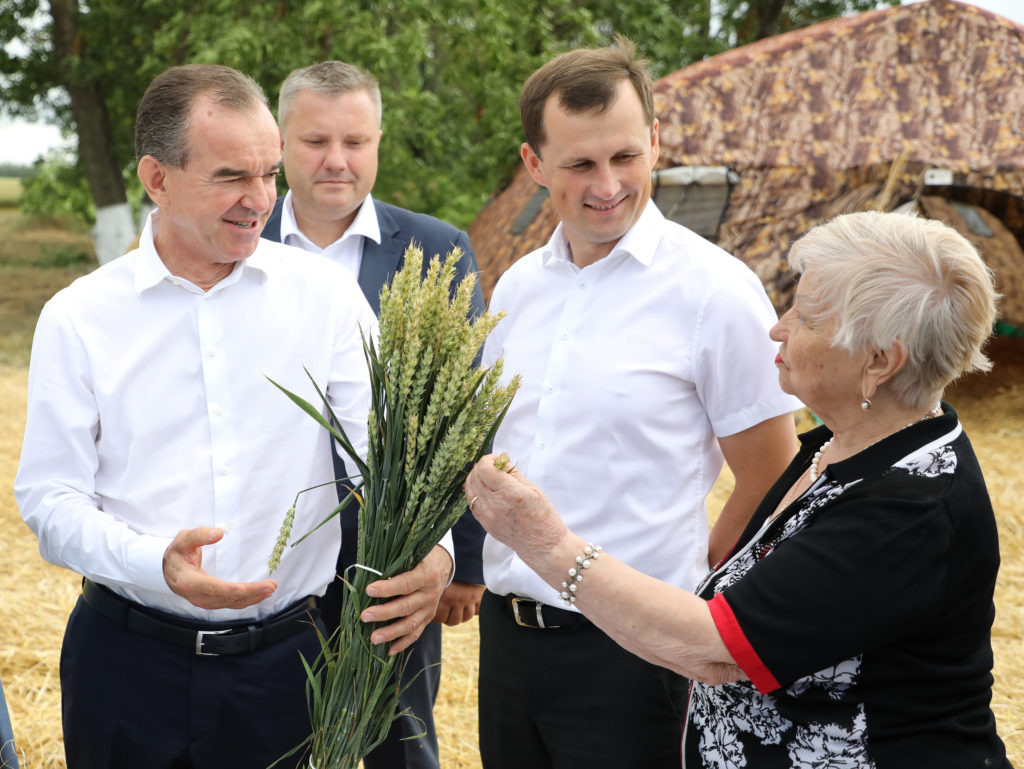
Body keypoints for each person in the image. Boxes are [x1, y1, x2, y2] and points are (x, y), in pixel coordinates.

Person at [14, 64, 453, 769]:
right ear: (156, 179)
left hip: (290, 670)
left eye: (270, 173)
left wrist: (439, 549)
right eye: (231, 177)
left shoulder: (327, 297)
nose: (261, 200)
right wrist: (154, 562)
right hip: (126, 668)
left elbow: (391, 451)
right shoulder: (78, 317)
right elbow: (48, 498)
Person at [465, 210, 1013, 769]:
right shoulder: (841, 446)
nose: (779, 327)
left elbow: (716, 649)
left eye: (808, 315)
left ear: (879, 362)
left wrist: (547, 545)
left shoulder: (909, 507)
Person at [473, 39, 802, 769]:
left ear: (655, 141)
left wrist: (694, 594)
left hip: (637, 658)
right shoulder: (519, 287)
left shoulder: (716, 291)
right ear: (534, 166)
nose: (609, 184)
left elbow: (773, 476)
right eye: (581, 164)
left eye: (626, 156)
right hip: (508, 644)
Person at [261, 60, 486, 769]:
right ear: (279, 144)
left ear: (379, 141)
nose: (337, 160)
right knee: (279, 734)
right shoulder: (236, 238)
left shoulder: (436, 249)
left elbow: (464, 413)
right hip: (268, 553)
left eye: (355, 141)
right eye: (315, 141)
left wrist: (464, 559)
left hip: (394, 555)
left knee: (401, 740)